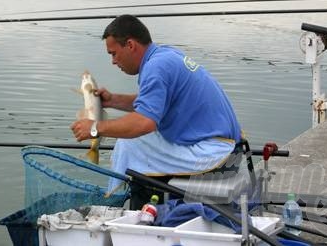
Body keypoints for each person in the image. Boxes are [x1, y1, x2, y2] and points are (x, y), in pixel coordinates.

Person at [71, 14, 242, 208]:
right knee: (133, 142)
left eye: (113, 53)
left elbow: (145, 122)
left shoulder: (155, 67)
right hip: (228, 146)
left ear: (130, 45)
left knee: (130, 145)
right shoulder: (164, 55)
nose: (113, 61)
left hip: (214, 153)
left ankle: (131, 210)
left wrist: (94, 128)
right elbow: (153, 103)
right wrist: (114, 101)